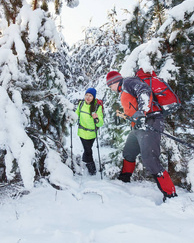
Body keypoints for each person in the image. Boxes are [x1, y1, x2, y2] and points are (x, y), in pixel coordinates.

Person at [106, 70, 177, 200]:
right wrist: (126, 116)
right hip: (138, 126)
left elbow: (144, 91)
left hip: (150, 121)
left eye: (110, 86)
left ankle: (170, 194)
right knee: (129, 151)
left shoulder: (128, 82)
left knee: (150, 158)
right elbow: (133, 107)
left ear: (114, 82)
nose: (111, 89)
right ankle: (124, 179)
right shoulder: (124, 89)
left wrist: (142, 112)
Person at [75, 88, 104, 175]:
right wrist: (71, 118)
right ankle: (92, 169)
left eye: (90, 96)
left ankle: (84, 161)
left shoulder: (97, 107)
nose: (88, 97)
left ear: (93, 97)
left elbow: (100, 123)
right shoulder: (81, 104)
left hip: (92, 134)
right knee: (88, 150)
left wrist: (97, 119)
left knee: (87, 150)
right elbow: (76, 114)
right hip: (82, 132)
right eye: (86, 95)